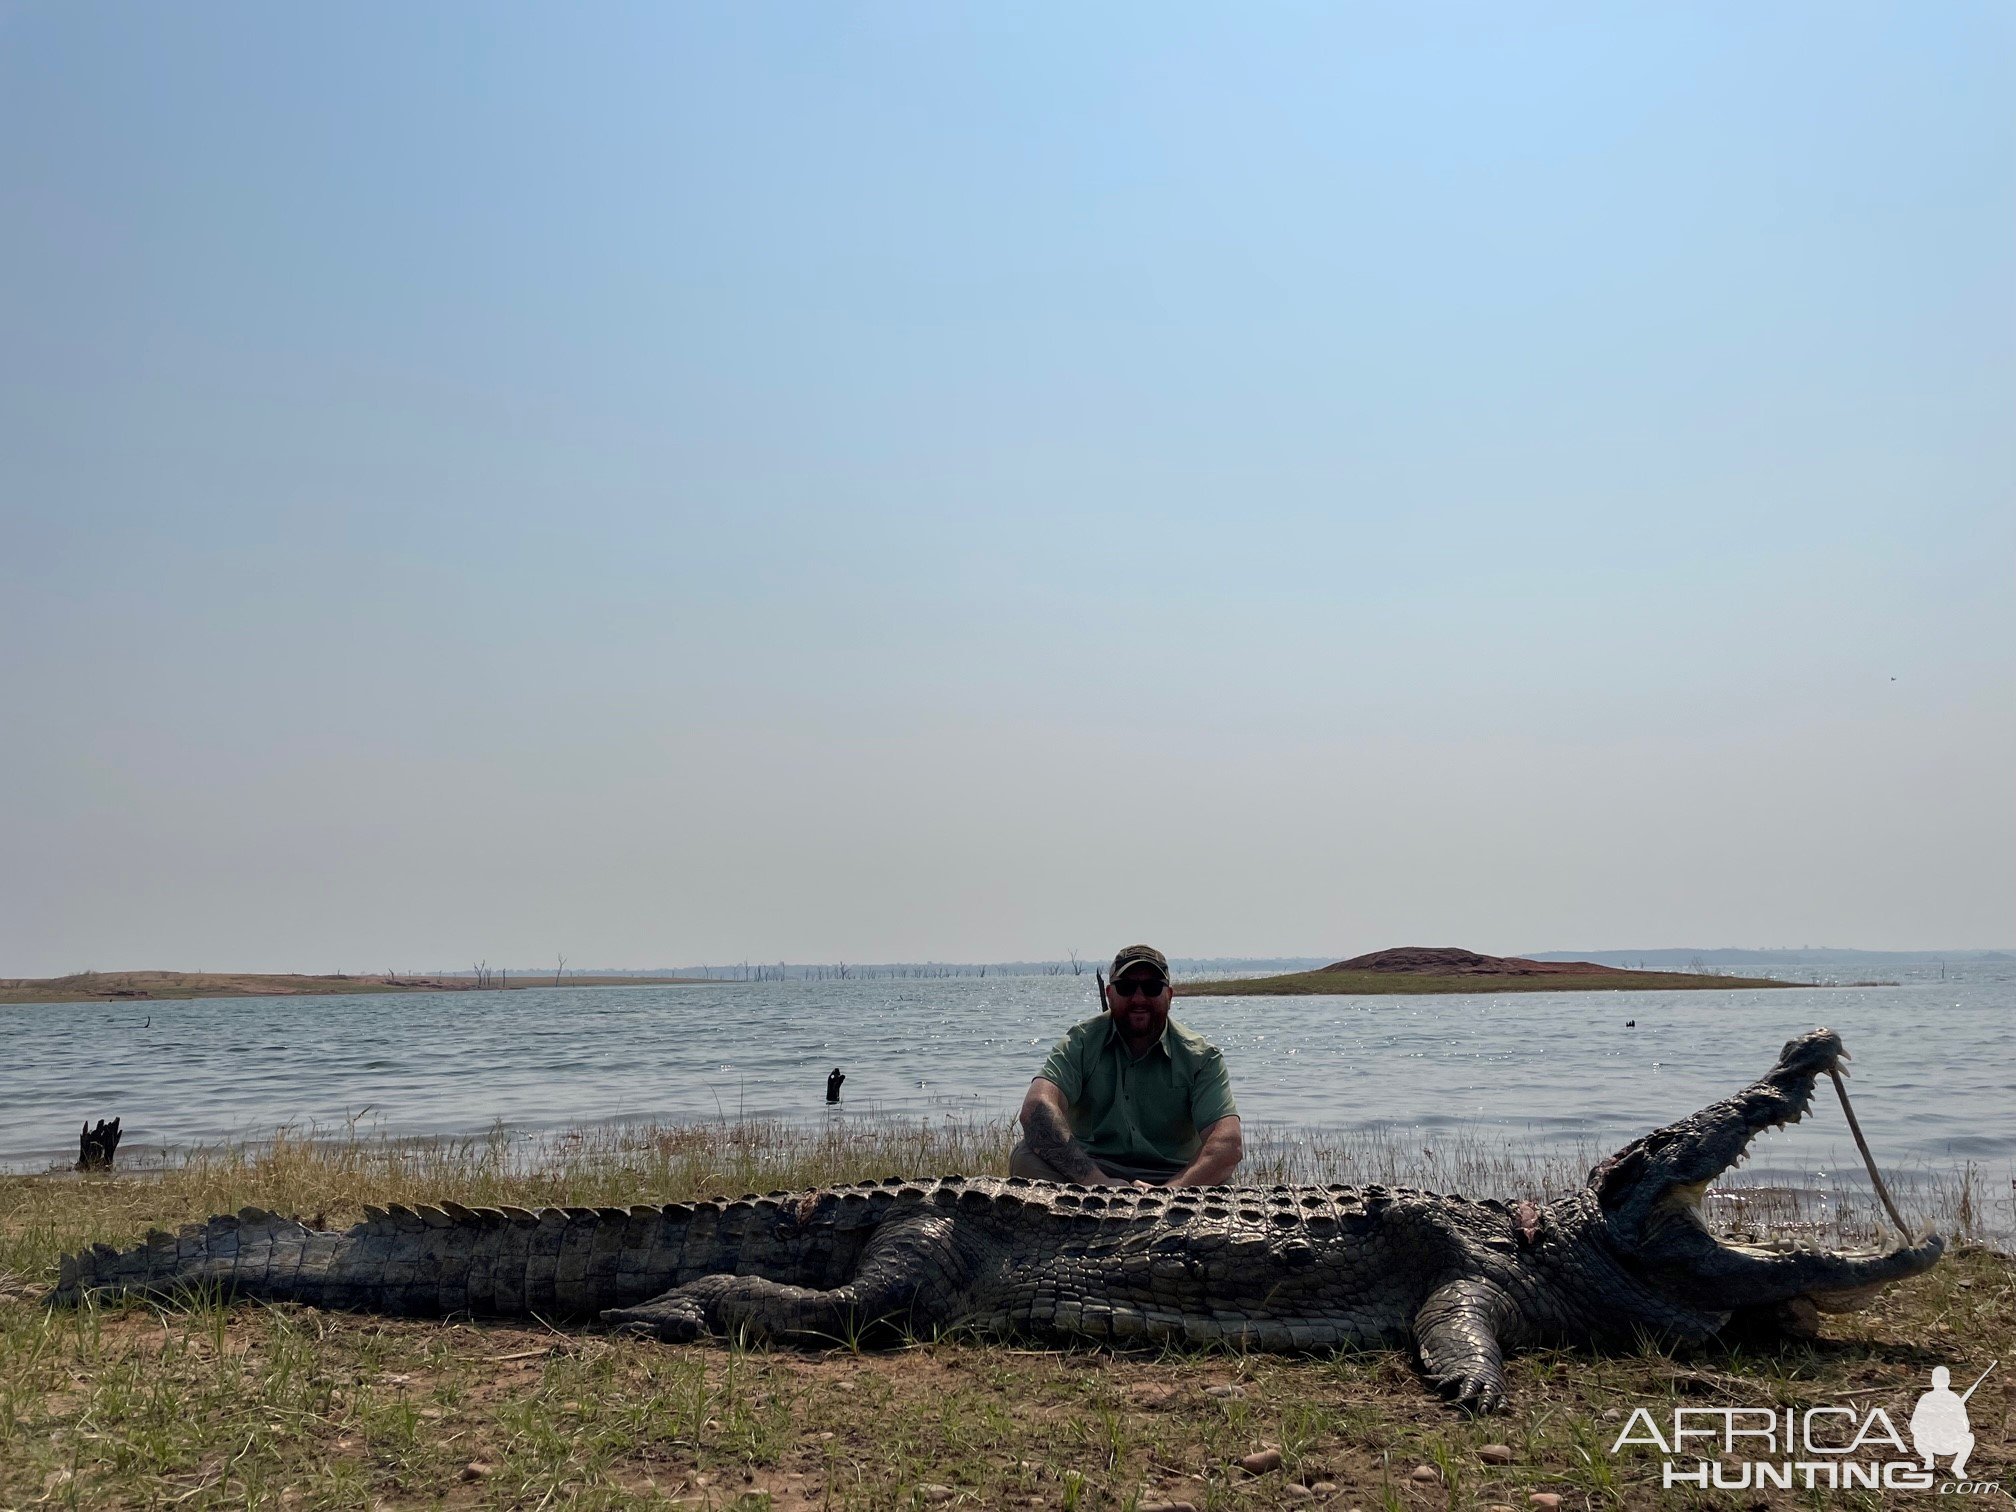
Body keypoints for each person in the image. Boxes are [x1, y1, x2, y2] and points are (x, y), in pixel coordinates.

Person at [1011, 944, 1242, 1186]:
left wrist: (1168, 1194)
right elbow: (1036, 1108)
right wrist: (1099, 1183)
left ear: (1169, 996)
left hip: (1175, 1174)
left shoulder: (1202, 1057)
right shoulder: (1081, 1042)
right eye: (1126, 987)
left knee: (1223, 1177)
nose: (1139, 998)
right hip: (1092, 1169)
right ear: (1110, 994)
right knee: (1025, 1157)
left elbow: (1229, 1142)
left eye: (1152, 988)